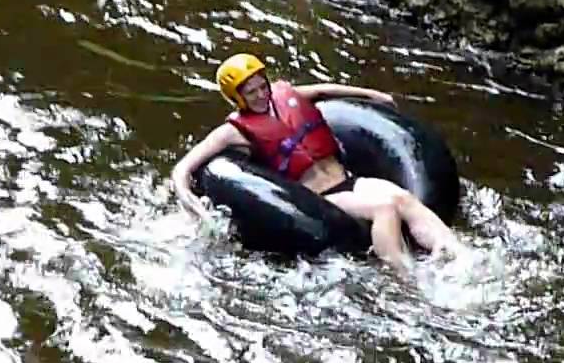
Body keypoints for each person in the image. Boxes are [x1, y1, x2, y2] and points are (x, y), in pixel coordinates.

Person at [170, 53, 460, 273]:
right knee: (383, 208)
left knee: (402, 197)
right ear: (237, 97)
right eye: (251, 92)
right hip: (323, 199)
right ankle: (405, 278)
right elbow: (183, 168)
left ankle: (460, 256)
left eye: (262, 86)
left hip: (349, 180)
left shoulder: (285, 97)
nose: (261, 95)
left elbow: (324, 90)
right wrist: (191, 204)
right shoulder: (233, 132)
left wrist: (370, 95)